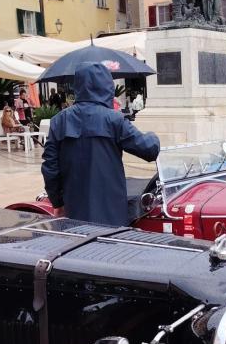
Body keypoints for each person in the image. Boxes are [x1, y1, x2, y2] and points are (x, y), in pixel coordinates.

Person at [42, 62, 160, 226]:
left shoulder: (58, 121)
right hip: (110, 208)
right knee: (108, 250)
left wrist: (57, 202)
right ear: (106, 86)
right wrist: (153, 136)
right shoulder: (114, 119)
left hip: (74, 207)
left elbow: (50, 168)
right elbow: (149, 149)